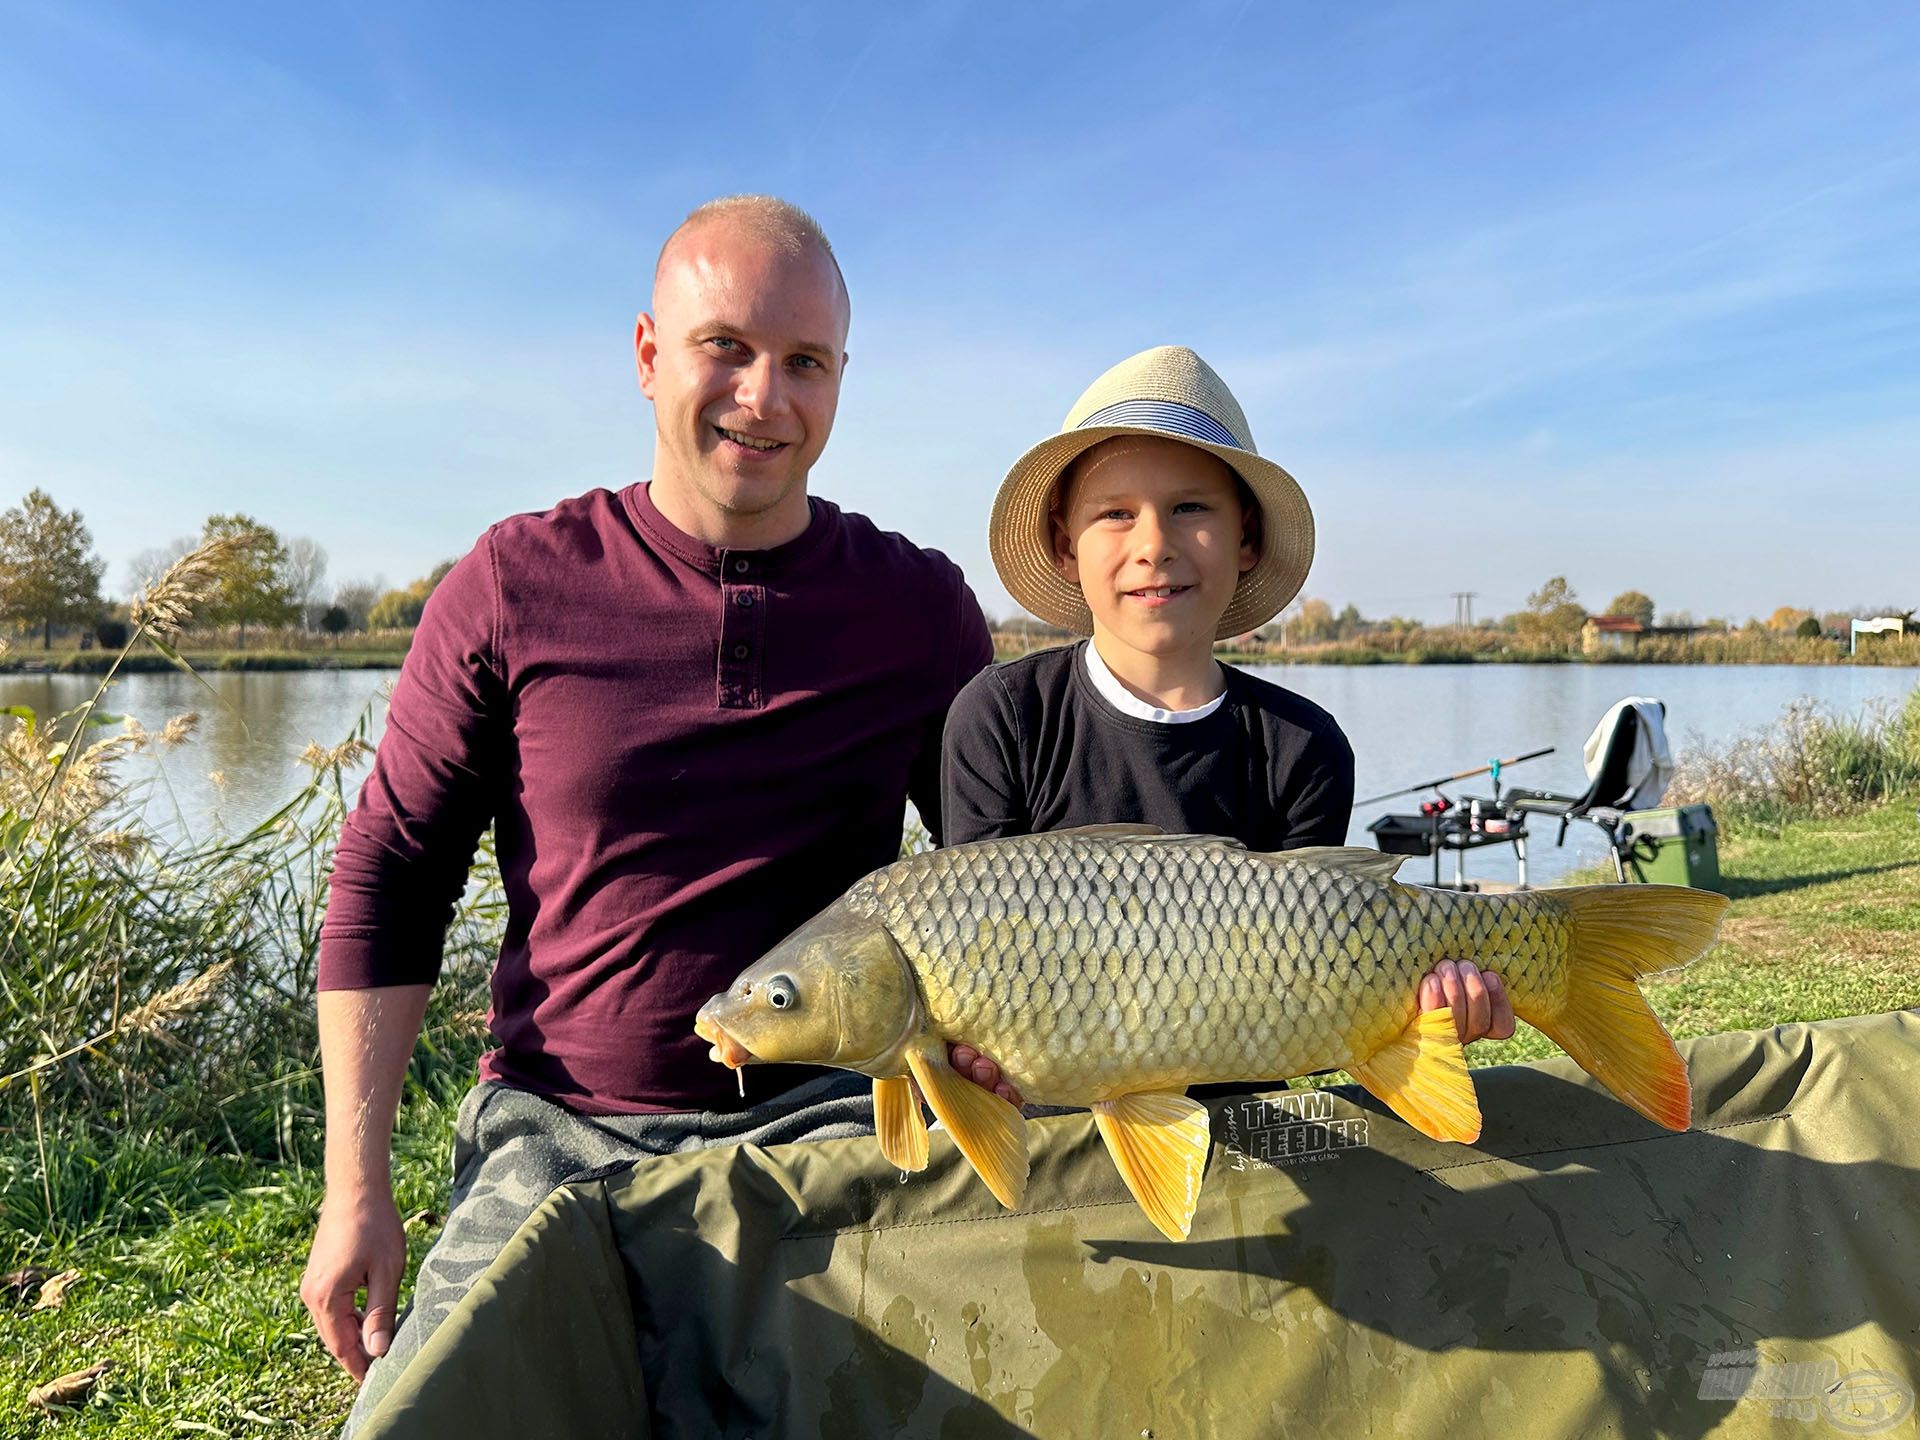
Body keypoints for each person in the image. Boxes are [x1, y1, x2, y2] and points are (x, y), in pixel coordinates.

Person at [300, 195, 994, 1431]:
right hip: (560, 1139)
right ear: (646, 355)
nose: (763, 398)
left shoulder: (922, 609)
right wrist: (356, 1184)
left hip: (834, 1125)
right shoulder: (515, 583)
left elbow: (1005, 881)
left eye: (806, 363)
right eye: (725, 346)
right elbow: (389, 875)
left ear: (842, 378)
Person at [939, 345, 1512, 1106]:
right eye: (1115, 514)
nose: (1154, 545)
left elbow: (1316, 992)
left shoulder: (1302, 746)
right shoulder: (1002, 716)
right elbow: (974, 971)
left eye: (1190, 508)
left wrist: (1425, 1016)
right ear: (1062, 545)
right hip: (1052, 1129)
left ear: (1246, 540)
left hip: (1248, 1129)